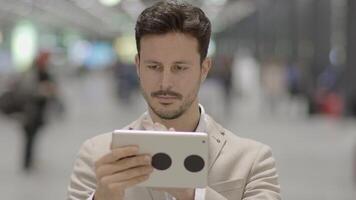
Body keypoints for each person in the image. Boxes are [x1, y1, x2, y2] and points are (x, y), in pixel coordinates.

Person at [67, 1, 281, 200]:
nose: (165, 83)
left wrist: (191, 192)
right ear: (138, 65)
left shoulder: (251, 160)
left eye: (179, 68)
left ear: (204, 69)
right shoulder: (97, 155)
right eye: (153, 67)